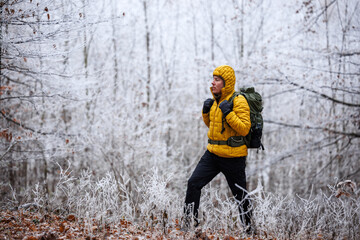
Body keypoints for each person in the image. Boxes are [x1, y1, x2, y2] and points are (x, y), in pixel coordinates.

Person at [184, 65, 253, 233]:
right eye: (213, 79)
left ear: (226, 83)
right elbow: (213, 127)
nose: (213, 82)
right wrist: (206, 112)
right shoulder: (216, 100)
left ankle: (250, 231)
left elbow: (244, 128)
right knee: (193, 183)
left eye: (217, 80)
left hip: (233, 157)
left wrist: (228, 112)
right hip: (213, 154)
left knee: (240, 196)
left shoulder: (238, 100)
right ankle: (189, 227)